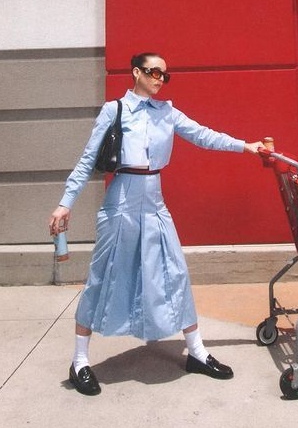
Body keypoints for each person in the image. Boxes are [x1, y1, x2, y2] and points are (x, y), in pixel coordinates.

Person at [49, 52, 265, 396]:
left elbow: (204, 135)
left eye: (165, 75)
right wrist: (65, 204)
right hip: (121, 202)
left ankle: (197, 352)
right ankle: (79, 361)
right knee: (103, 277)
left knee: (175, 272)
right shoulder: (114, 110)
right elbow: (88, 159)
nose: (160, 79)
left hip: (155, 202)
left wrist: (245, 146)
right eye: (153, 72)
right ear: (136, 72)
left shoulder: (167, 112)